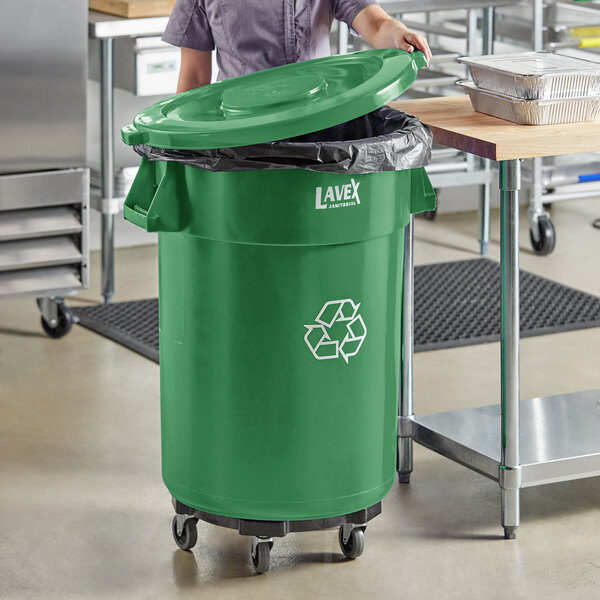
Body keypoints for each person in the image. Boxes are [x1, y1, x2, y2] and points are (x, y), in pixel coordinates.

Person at [162, 0, 432, 93]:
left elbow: (375, 23)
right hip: (238, 132)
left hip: (317, 122)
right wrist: (178, 151)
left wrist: (399, 33)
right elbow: (194, 77)